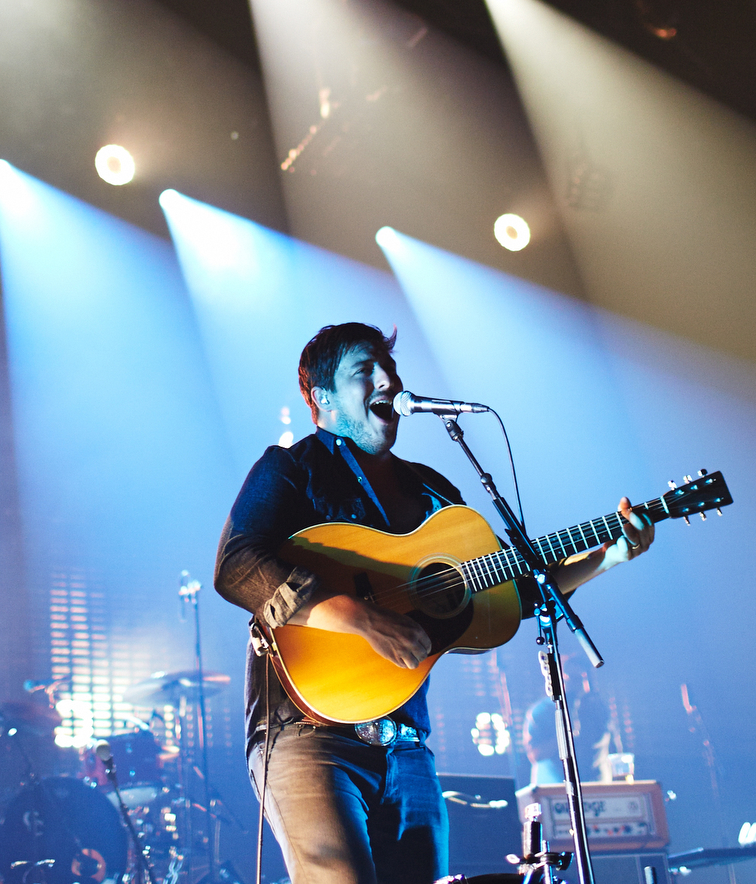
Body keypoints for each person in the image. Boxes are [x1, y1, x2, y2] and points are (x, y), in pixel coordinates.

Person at [215, 323, 656, 884]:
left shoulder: (433, 493)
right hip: (308, 734)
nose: (388, 380)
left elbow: (509, 594)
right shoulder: (291, 470)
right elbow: (237, 564)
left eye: (389, 368)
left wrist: (610, 555)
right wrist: (361, 617)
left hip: (407, 748)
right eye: (364, 371)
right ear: (321, 398)